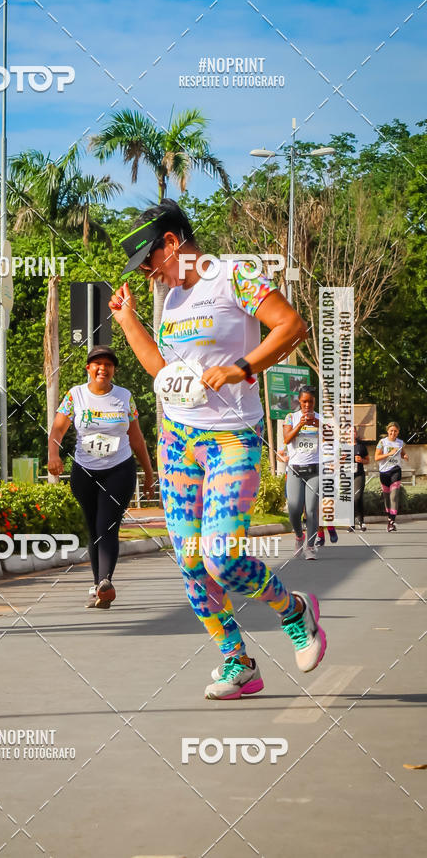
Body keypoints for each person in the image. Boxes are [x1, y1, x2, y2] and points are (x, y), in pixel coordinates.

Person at [110, 198, 327, 700]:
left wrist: (243, 368)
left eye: (149, 260)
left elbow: (291, 326)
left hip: (232, 438)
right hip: (178, 442)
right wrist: (128, 323)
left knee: (220, 558)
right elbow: (162, 372)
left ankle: (294, 612)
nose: (147, 273)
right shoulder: (173, 301)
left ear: (171, 242)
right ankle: (238, 662)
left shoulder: (233, 275)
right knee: (190, 562)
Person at [47, 346, 155, 608]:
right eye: (97, 364)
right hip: (84, 471)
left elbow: (136, 437)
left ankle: (105, 581)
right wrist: (54, 455)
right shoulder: (75, 395)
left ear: (113, 370)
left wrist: (149, 472)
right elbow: (58, 429)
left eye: (108, 364)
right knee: (93, 527)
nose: (102, 369)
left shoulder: (124, 396)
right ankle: (98, 587)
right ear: (88, 368)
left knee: (107, 524)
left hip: (119, 468)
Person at [283, 386, 328, 559]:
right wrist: (300, 424)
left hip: (314, 470)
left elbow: (330, 439)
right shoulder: (291, 417)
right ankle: (299, 536)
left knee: (311, 510)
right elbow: (287, 439)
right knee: (294, 508)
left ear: (315, 402)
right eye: (304, 402)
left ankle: (310, 546)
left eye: (310, 401)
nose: (307, 405)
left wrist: (318, 424)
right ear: (299, 402)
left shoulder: (320, 419)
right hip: (295, 469)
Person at [375, 422, 409, 532]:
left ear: (398, 432)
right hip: (384, 472)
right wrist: (389, 454)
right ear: (388, 431)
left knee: (394, 496)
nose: (393, 433)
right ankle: (389, 518)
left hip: (396, 470)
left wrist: (405, 456)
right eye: (391, 431)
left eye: (395, 431)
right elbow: (376, 457)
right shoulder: (382, 442)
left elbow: (402, 453)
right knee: (387, 498)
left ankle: (392, 522)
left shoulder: (400, 443)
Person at [350, 426, 369, 532]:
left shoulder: (361, 446)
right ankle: (351, 523)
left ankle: (361, 521)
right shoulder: (342, 446)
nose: (351, 434)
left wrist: (361, 460)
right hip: (347, 476)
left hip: (359, 474)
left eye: (353, 431)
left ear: (356, 433)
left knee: (357, 497)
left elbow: (368, 460)